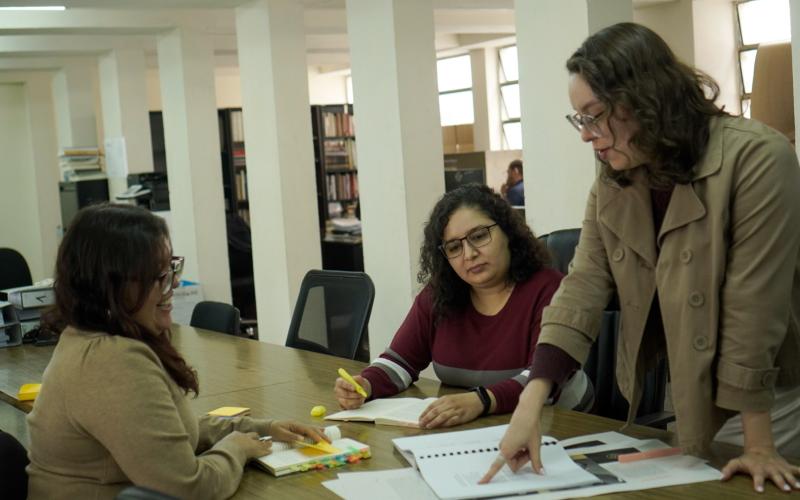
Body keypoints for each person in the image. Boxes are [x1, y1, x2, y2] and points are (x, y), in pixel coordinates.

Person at [481, 22, 800, 493]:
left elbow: (752, 308)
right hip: (689, 384)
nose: (587, 135)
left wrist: (757, 443)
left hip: (770, 396)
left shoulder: (757, 158)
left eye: (595, 115)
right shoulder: (614, 182)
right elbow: (581, 287)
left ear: (645, 98)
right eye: (580, 120)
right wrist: (533, 400)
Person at [26, 204, 328, 500]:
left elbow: (166, 434)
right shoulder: (112, 360)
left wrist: (263, 427)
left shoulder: (87, 338)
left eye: (171, 269)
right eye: (158, 277)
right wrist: (236, 448)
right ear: (111, 286)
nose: (173, 284)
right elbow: (187, 488)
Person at [334, 184, 593, 429]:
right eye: (454, 247)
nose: (469, 254)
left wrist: (481, 400)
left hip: (562, 426)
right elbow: (400, 361)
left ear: (507, 232)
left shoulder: (550, 288)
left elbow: (542, 379)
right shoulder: (439, 295)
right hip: (479, 429)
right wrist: (365, 384)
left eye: (479, 236)